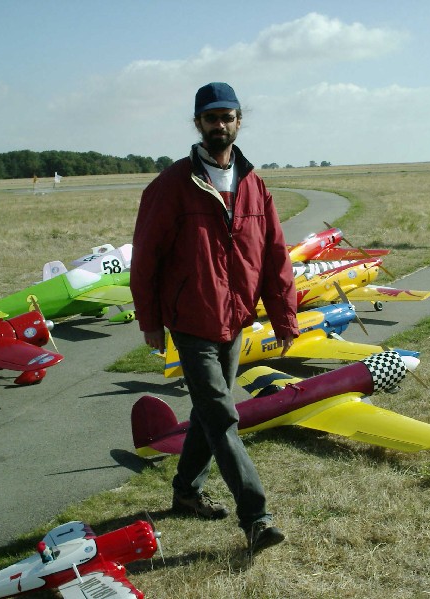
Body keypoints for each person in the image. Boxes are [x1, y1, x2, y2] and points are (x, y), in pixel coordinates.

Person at [130, 82, 299, 555]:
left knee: (208, 416)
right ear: (198, 124)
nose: (219, 125)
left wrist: (285, 316)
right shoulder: (170, 186)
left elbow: (274, 255)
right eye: (210, 118)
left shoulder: (254, 185)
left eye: (227, 116)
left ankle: (185, 490)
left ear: (238, 121)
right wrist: (150, 320)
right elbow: (145, 259)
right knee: (223, 416)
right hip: (191, 320)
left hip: (236, 319)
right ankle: (256, 518)